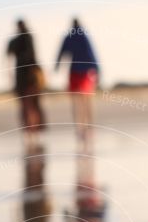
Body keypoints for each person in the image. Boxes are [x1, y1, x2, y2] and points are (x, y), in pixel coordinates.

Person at [55, 18, 99, 153]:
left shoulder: (70, 36)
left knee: (77, 102)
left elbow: (62, 52)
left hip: (76, 72)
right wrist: (97, 70)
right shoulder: (83, 36)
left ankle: (80, 130)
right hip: (84, 73)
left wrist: (57, 66)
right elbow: (92, 54)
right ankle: (88, 129)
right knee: (86, 101)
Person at [7, 20, 46, 151]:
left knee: (26, 106)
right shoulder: (29, 37)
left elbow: (7, 57)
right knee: (33, 106)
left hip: (22, 77)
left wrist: (9, 74)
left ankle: (29, 134)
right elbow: (34, 56)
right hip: (31, 76)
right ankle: (34, 133)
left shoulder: (15, 41)